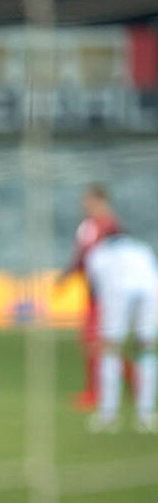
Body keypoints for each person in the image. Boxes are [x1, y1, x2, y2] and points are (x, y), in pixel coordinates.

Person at [56, 184, 122, 411]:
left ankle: (97, 392)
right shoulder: (89, 226)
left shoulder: (111, 226)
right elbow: (81, 255)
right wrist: (68, 275)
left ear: (100, 200)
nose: (84, 204)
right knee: (96, 340)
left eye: (89, 200)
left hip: (108, 290)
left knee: (95, 340)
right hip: (94, 290)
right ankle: (131, 381)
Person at [85, 230, 158, 433]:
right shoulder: (142, 249)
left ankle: (108, 415)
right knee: (146, 350)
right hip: (149, 292)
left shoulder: (98, 253)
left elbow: (94, 289)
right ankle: (146, 414)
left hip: (117, 293)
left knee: (110, 350)